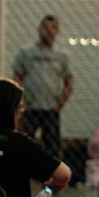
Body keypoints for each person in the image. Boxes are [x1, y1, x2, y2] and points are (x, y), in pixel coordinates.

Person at [13, 15, 73, 158]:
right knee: (25, 145)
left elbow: (69, 83)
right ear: (39, 29)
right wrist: (21, 102)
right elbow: (16, 78)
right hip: (30, 108)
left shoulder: (62, 56)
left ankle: (50, 177)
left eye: (53, 28)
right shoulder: (26, 53)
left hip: (51, 109)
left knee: (52, 148)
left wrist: (59, 105)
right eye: (45, 27)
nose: (49, 31)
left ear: (57, 31)